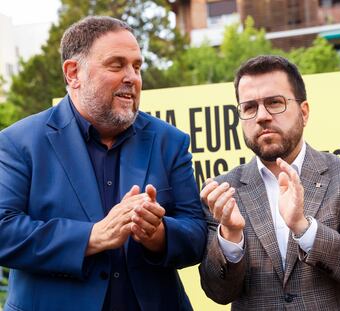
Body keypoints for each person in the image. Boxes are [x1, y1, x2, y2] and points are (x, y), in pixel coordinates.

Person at [0, 16, 207, 311]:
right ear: (73, 73)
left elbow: (197, 235)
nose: (132, 78)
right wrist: (92, 236)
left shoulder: (169, 142)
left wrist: (158, 234)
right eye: (116, 65)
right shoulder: (18, 143)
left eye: (137, 67)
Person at [199, 55, 340, 310]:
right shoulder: (224, 192)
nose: (262, 116)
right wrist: (231, 236)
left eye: (274, 103)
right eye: (250, 107)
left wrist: (304, 227)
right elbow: (218, 292)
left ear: (304, 112)